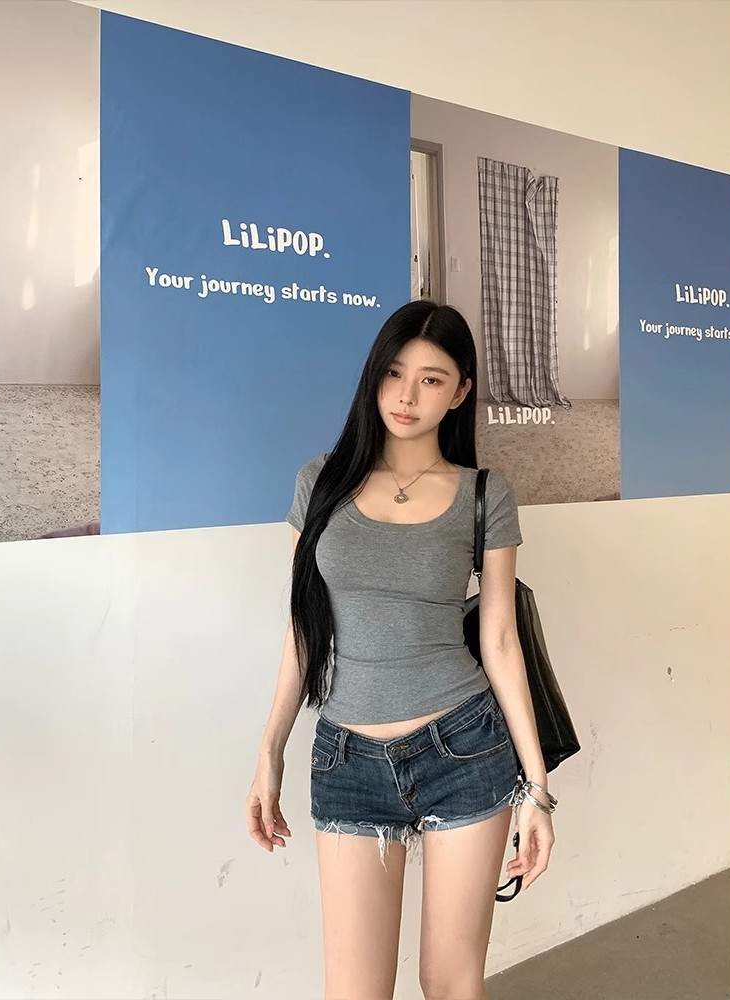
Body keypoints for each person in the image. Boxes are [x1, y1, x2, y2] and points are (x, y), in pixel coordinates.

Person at [245, 300, 556, 1000]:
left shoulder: (484, 494)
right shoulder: (320, 483)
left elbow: (500, 640)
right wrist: (270, 751)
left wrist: (537, 791)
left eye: (432, 379)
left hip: (463, 746)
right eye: (394, 373)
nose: (408, 395)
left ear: (461, 392)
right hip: (346, 759)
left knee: (450, 984)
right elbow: (302, 629)